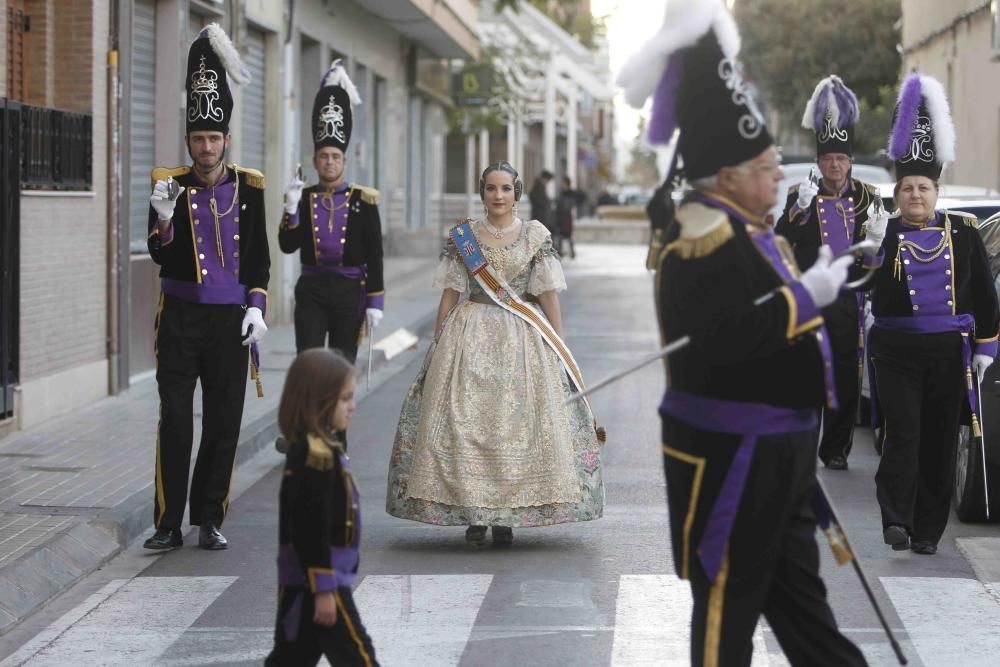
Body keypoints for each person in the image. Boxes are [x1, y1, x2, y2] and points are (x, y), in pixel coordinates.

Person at [617, 0, 867, 664]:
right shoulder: (702, 235)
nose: (778, 174)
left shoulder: (752, 232)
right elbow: (726, 339)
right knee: (726, 608)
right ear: (727, 176)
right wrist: (805, 298)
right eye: (764, 166)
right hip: (736, 453)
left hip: (780, 448)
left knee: (803, 607)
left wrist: (819, 290)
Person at [385, 161, 605, 546]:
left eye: (505, 188)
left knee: (516, 426)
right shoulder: (464, 238)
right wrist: (438, 341)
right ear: (482, 191)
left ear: (516, 192)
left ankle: (506, 517)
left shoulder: (535, 236)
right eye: (491, 188)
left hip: (522, 338)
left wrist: (558, 344)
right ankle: (475, 514)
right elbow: (450, 293)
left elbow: (547, 296)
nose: (498, 196)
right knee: (467, 424)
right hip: (469, 333)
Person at [143, 24, 269, 552]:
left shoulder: (250, 186)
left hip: (229, 322)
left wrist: (257, 308)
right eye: (198, 138)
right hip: (180, 318)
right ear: (189, 140)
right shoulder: (167, 183)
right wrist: (165, 220)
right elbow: (158, 254)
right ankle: (168, 522)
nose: (206, 147)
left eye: (214, 138)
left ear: (227, 141)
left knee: (223, 422)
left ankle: (209, 517)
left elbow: (259, 258)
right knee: (175, 418)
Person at [869, 73, 999, 555]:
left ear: (936, 191)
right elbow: (861, 288)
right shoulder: (880, 233)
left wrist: (986, 347)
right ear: (898, 192)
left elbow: (986, 297)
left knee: (940, 441)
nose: (916, 196)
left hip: (949, 354)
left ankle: (927, 531)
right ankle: (896, 519)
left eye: (923, 187)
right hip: (896, 351)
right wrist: (867, 251)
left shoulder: (963, 235)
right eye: (907, 188)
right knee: (904, 434)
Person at [775, 75, 881, 471]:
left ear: (850, 162)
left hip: (849, 298)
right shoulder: (800, 194)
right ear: (818, 163)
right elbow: (780, 242)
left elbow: (878, 250)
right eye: (827, 160)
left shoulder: (869, 196)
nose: (834, 166)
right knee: (806, 374)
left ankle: (835, 449)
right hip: (810, 295)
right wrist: (797, 212)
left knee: (843, 376)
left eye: (840, 159)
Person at [265, 349, 378, 666]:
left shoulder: (320, 447)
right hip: (321, 581)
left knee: (290, 660)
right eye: (345, 399)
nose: (352, 407)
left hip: (303, 583)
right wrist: (324, 588)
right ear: (318, 401)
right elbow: (309, 527)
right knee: (360, 658)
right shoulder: (316, 457)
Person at [279, 60, 384, 361]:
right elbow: (287, 246)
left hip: (349, 290)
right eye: (323, 156)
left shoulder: (363, 200)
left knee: (341, 362)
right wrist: (290, 208)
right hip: (311, 288)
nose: (329, 161)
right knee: (309, 362)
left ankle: (337, 410)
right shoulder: (302, 195)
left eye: (335, 156)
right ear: (314, 161)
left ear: (344, 161)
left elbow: (375, 254)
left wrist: (376, 302)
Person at [529, 170, 556, 247]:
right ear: (544, 178)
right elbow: (539, 201)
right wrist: (548, 202)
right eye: (547, 180)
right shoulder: (538, 187)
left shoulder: (540, 187)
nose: (547, 182)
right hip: (540, 217)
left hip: (541, 217)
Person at [556, 175, 577, 259]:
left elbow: (571, 205)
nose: (561, 184)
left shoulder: (570, 193)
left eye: (562, 182)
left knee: (568, 235)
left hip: (567, 216)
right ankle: (561, 251)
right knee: (561, 235)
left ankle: (572, 252)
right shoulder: (561, 192)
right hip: (561, 216)